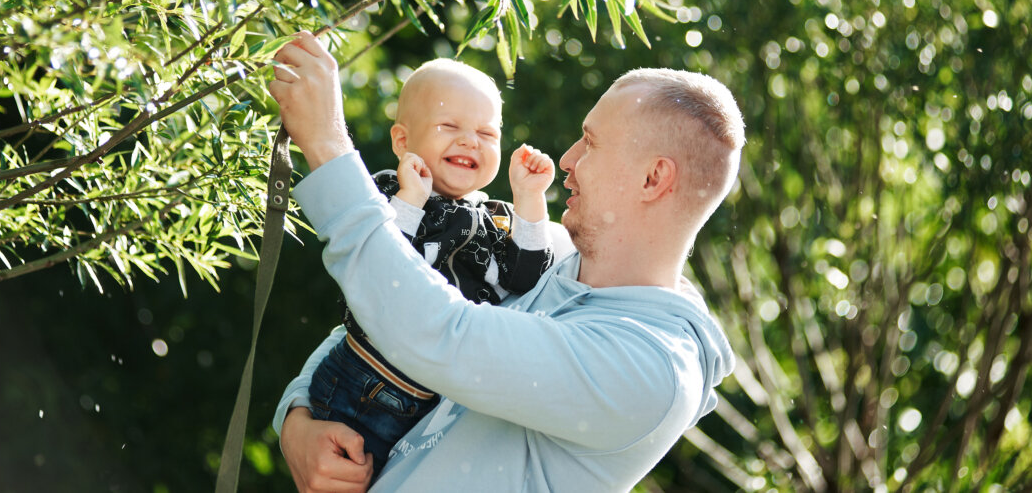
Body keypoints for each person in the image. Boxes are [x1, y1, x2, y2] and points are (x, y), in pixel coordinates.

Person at [266, 31, 743, 493]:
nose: (568, 159)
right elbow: (383, 303)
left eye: (591, 142)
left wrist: (327, 144)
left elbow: (438, 333)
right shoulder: (552, 257)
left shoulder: (647, 370)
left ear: (653, 178)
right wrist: (298, 421)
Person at [307, 58, 556, 473]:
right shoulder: (389, 193)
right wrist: (410, 199)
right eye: (449, 127)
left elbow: (524, 277)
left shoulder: (494, 218)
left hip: (432, 405)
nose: (470, 141)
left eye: (486, 133)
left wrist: (530, 200)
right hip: (361, 385)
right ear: (403, 141)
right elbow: (377, 268)